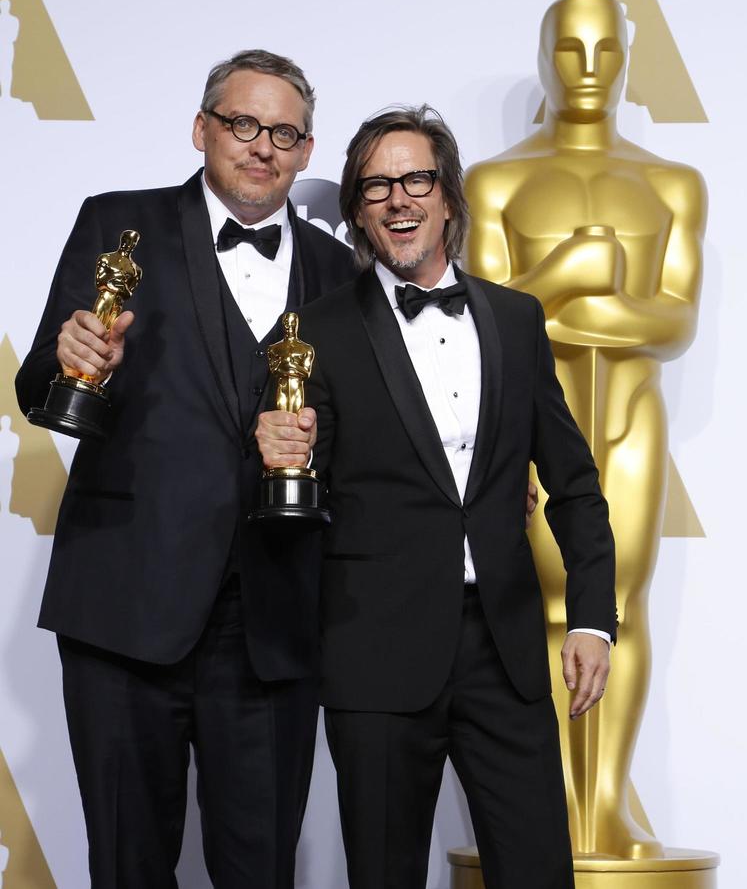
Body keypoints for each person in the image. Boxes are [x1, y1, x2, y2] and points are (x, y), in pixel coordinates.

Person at [15, 50, 354, 889]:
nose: (261, 146)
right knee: (129, 864)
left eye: (284, 132)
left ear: (308, 152)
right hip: (126, 610)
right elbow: (38, 389)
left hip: (272, 623)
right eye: (243, 124)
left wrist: (318, 445)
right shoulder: (116, 224)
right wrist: (70, 356)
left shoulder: (340, 268)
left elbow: (358, 433)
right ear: (202, 129)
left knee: (260, 867)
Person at [257, 105, 617, 889]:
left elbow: (576, 484)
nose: (399, 199)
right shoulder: (309, 332)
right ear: (356, 210)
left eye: (416, 178)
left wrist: (592, 617)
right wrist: (279, 457)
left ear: (448, 195)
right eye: (377, 185)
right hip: (374, 654)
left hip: (505, 651)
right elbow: (290, 494)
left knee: (539, 874)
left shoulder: (516, 319)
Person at [464, 0, 706, 858]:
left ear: (628, 58)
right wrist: (575, 267)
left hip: (631, 417)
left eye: (607, 49)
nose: (591, 68)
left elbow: (674, 322)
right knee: (537, 608)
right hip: (531, 423)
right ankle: (549, 804)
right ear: (543, 57)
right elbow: (487, 316)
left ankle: (602, 808)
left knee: (621, 610)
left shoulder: (671, 184)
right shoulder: (496, 182)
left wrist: (571, 302)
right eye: (570, 49)